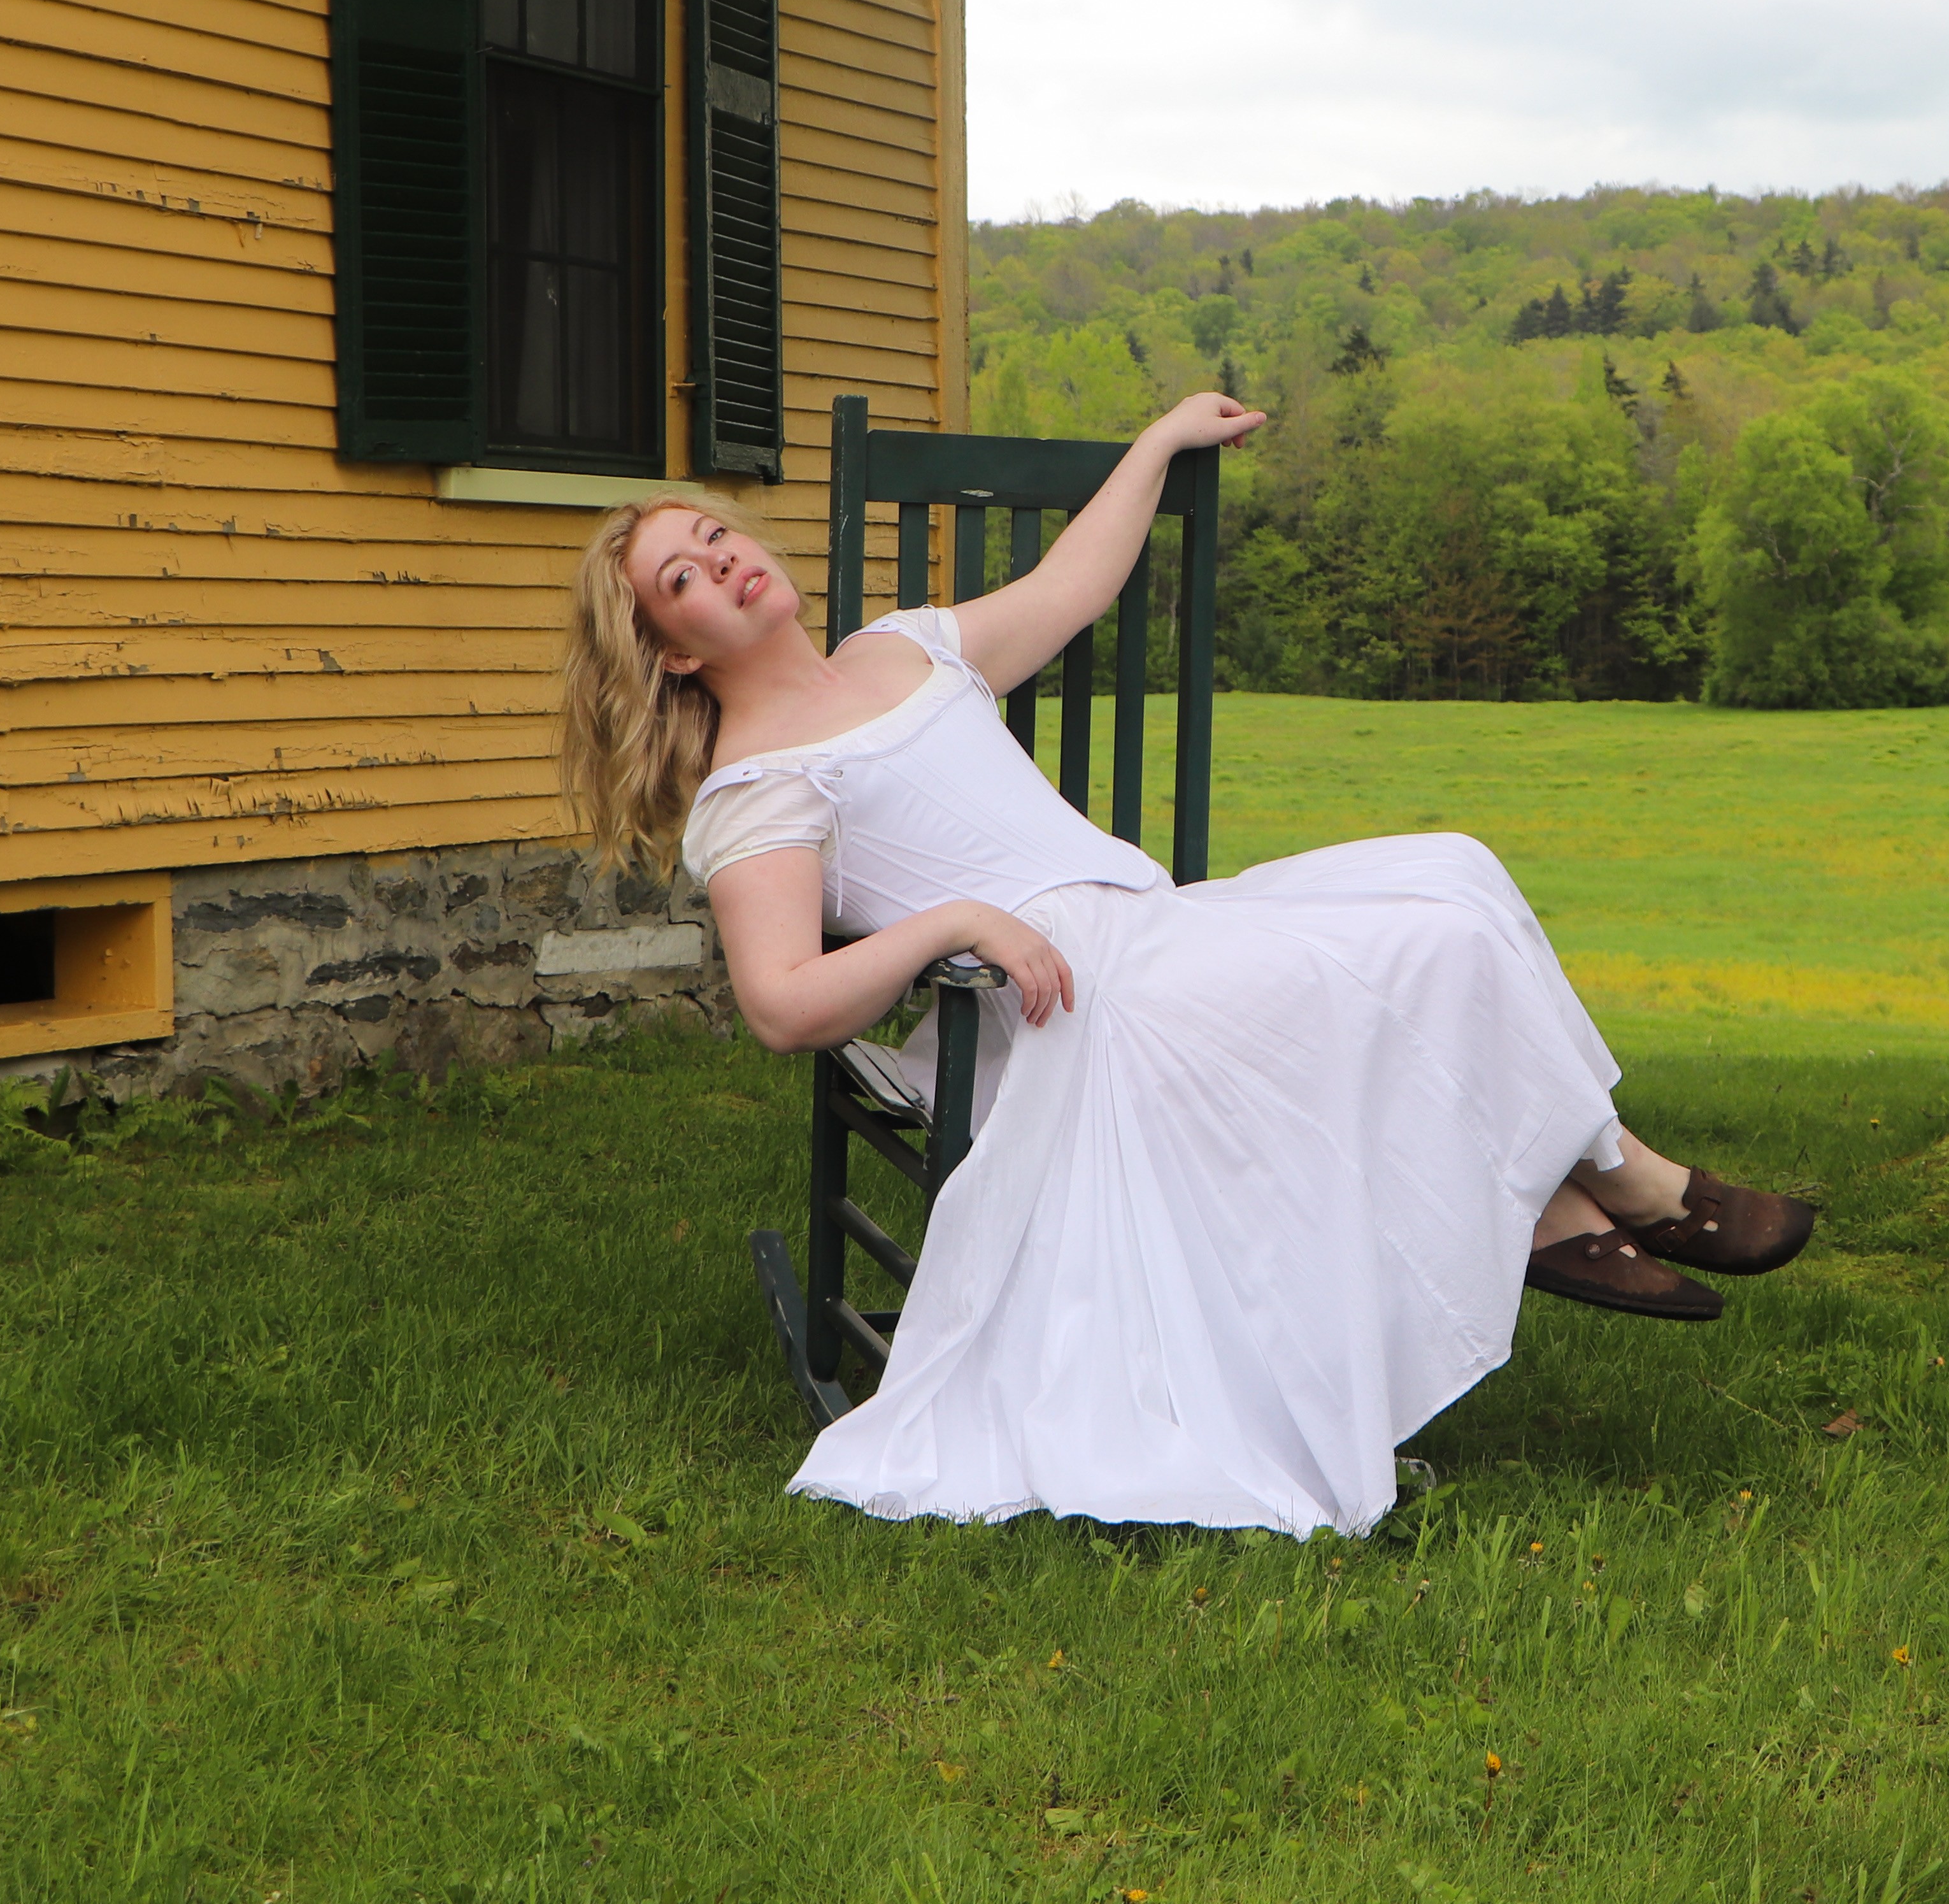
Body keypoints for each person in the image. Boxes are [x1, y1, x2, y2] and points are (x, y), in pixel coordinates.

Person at [557, 391, 1814, 1535]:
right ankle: (1617, 1184)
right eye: (685, 577)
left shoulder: (902, 648)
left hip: (1159, 924)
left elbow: (1073, 584)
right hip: (1075, 1000)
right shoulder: (759, 787)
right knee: (1419, 945)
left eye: (713, 537)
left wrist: (1157, 441)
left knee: (1455, 872)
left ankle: (1566, 1189)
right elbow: (783, 1006)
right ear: (674, 651)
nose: (724, 561)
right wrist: (955, 923)